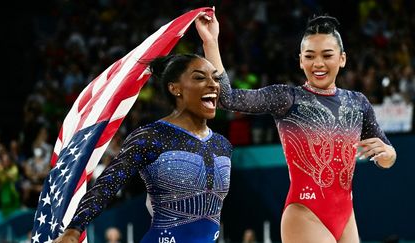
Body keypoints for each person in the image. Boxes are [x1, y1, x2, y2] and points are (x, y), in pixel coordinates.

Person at [195, 12, 397, 243]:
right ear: (301, 60)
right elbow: (227, 99)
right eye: (310, 56)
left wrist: (389, 154)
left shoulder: (358, 102)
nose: (318, 63)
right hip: (305, 213)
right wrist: (210, 43)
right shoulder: (287, 98)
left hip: (345, 215)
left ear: (342, 59)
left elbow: (385, 156)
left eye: (327, 55)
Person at [53, 53, 232, 243]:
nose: (213, 84)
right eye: (199, 77)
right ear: (175, 88)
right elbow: (108, 184)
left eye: (215, 77)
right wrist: (74, 229)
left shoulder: (222, 145)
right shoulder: (151, 136)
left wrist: (211, 39)